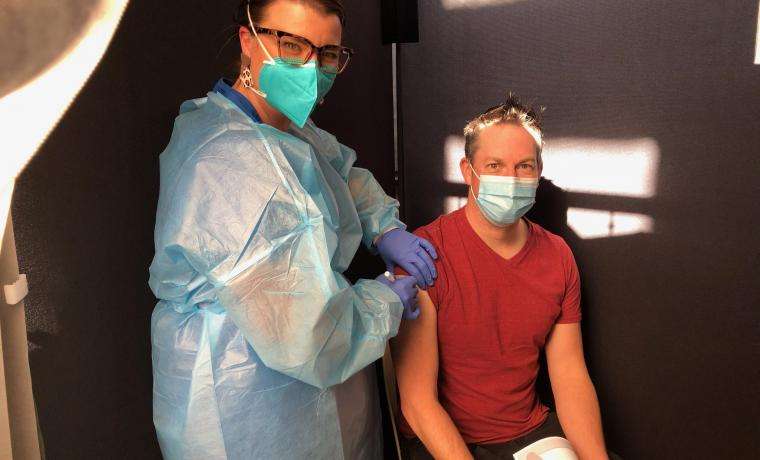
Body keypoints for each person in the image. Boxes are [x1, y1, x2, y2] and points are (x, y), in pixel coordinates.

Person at [148, 1, 437, 458]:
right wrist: (385, 299)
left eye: (326, 54)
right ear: (248, 40)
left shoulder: (277, 127)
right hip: (242, 394)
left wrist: (383, 227)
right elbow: (310, 339)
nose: (310, 67)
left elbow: (342, 173)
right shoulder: (232, 163)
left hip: (310, 381)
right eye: (291, 44)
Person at [392, 96, 611, 459]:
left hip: (532, 435)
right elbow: (418, 403)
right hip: (446, 444)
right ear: (467, 170)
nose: (510, 179)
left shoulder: (558, 257)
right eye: (494, 165)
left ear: (538, 172)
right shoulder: (424, 255)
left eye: (524, 166)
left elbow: (570, 378)